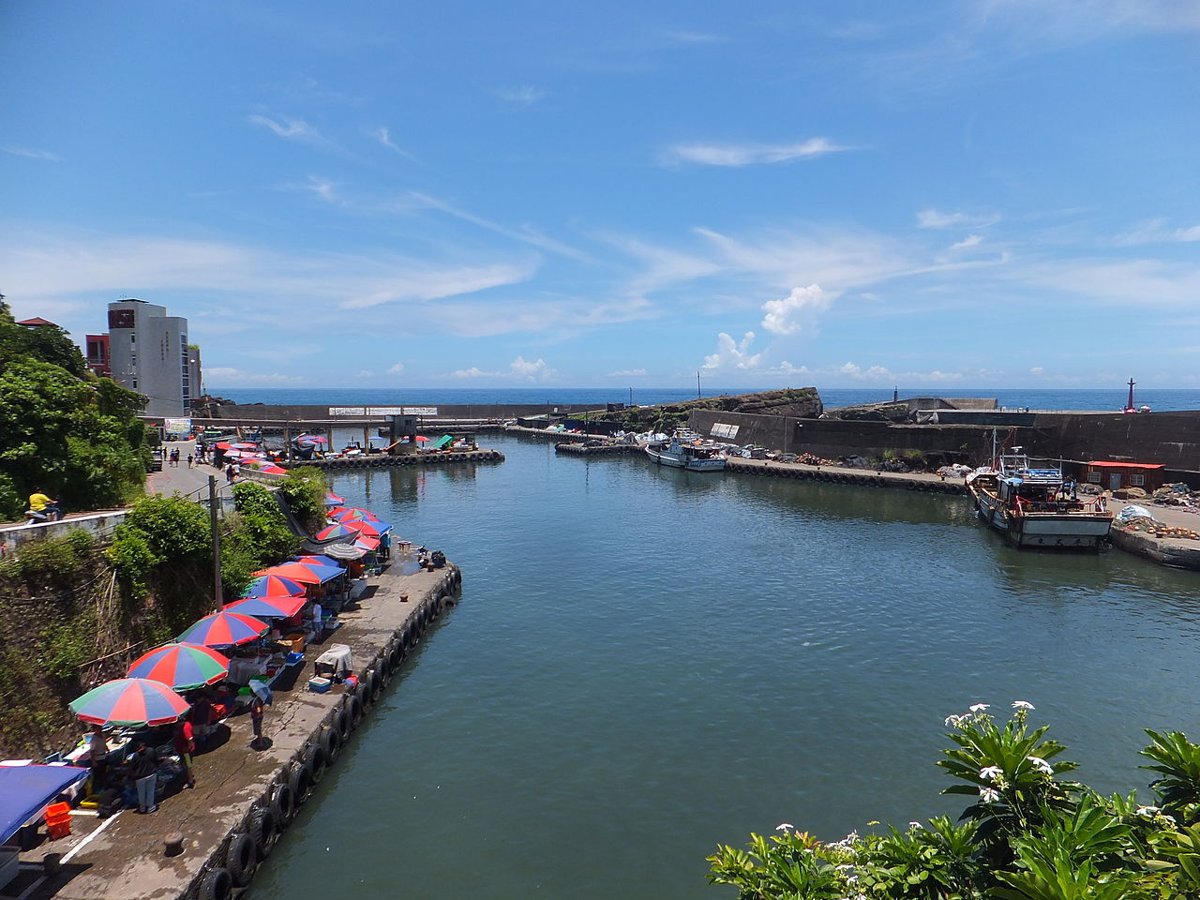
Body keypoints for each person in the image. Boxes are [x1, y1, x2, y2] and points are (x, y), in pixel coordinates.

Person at [129, 742, 158, 813]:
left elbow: (132, 767)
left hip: (140, 777)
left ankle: (142, 808)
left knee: (141, 793)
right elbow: (156, 760)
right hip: (151, 773)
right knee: (150, 791)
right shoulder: (151, 750)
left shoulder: (135, 756)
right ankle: (150, 807)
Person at [175, 714, 196, 789]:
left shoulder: (185, 728)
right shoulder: (187, 724)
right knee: (186, 765)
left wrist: (187, 748)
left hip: (186, 752)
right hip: (182, 750)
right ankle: (188, 776)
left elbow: (190, 739)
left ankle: (190, 781)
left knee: (188, 765)